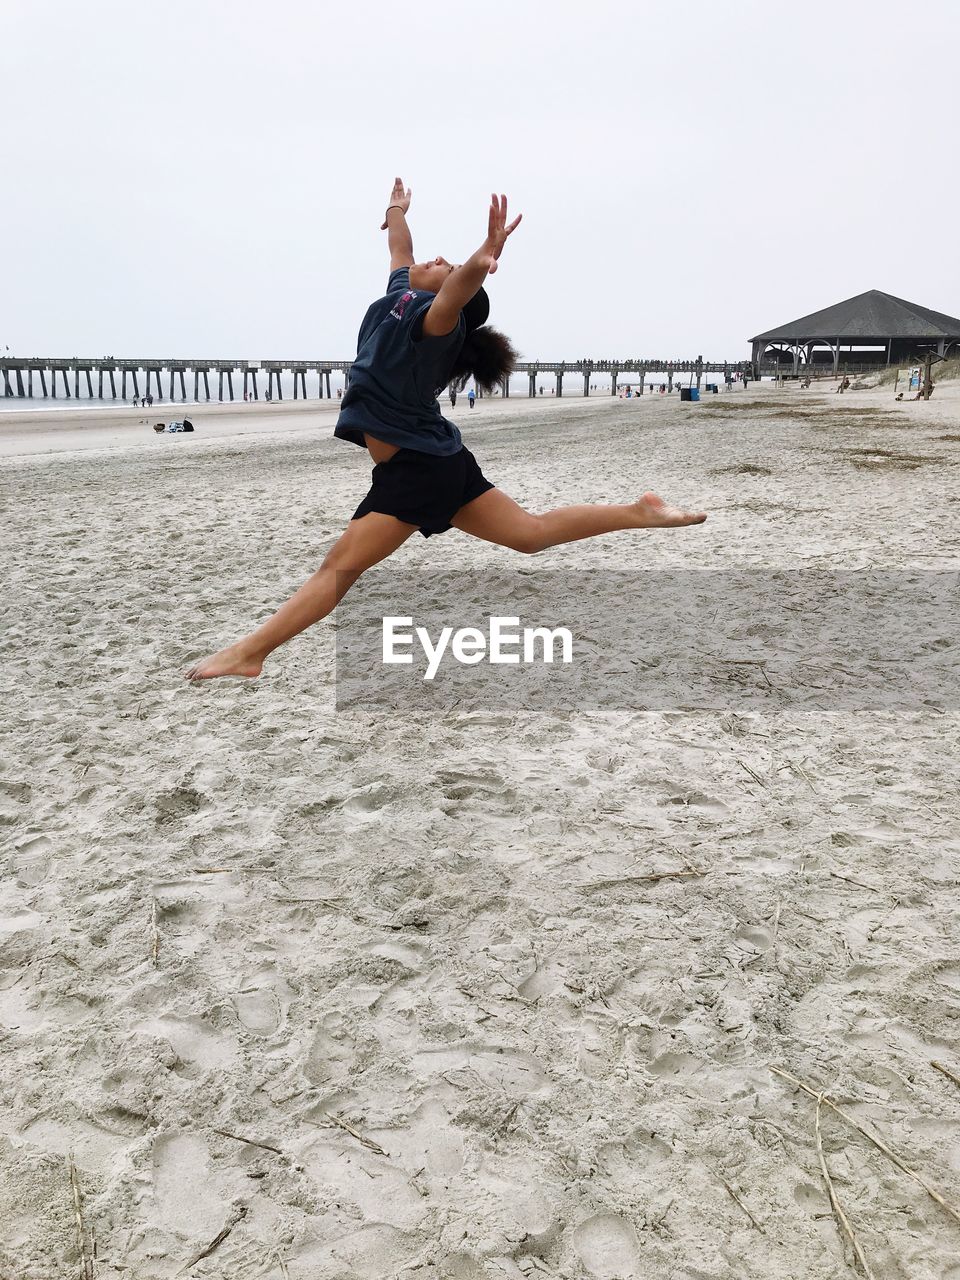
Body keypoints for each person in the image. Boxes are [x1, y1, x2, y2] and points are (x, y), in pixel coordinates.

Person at [185, 177, 706, 681]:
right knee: (530, 534)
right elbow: (400, 253)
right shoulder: (399, 296)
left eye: (445, 266)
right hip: (441, 460)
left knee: (337, 571)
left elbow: (455, 294)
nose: (435, 262)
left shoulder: (435, 325)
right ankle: (639, 512)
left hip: (416, 469)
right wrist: (396, 212)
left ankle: (249, 653)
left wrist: (480, 259)